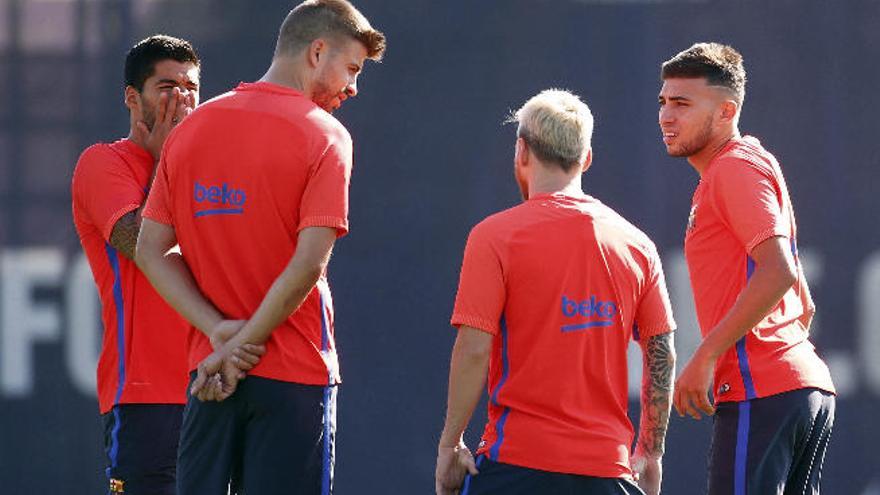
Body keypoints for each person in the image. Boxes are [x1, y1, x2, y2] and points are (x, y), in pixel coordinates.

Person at [134, 1, 385, 494]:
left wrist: (220, 337)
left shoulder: (192, 130)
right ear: (317, 52)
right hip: (293, 373)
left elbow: (151, 250)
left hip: (211, 372)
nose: (353, 87)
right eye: (351, 69)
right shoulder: (326, 135)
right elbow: (310, 263)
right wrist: (246, 342)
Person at [435, 89, 677, 495]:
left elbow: (474, 349)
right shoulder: (637, 245)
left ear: (522, 152)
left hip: (515, 468)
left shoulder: (493, 237)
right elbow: (662, 352)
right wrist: (651, 452)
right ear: (586, 158)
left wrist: (450, 444)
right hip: (608, 472)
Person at [658, 42, 836, 494]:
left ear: (725, 112)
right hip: (797, 386)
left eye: (682, 103)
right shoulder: (743, 164)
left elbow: (778, 273)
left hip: (766, 392)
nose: (666, 116)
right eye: (663, 102)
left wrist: (708, 356)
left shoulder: (733, 168)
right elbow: (804, 303)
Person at [71, 34, 200, 495]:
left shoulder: (208, 169)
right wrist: (170, 162)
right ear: (131, 97)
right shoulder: (102, 163)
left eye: (190, 88)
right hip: (145, 395)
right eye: (167, 87)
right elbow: (141, 244)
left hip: (212, 386)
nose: (181, 100)